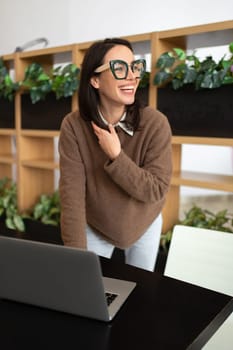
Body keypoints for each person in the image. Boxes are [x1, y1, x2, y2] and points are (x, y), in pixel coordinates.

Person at [58, 37, 172, 271]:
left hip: (144, 222)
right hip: (97, 224)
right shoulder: (73, 126)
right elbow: (72, 198)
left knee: (142, 295)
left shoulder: (156, 123)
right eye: (120, 68)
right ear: (95, 80)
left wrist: (116, 156)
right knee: (88, 291)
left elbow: (156, 189)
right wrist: (75, 263)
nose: (132, 76)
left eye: (134, 67)